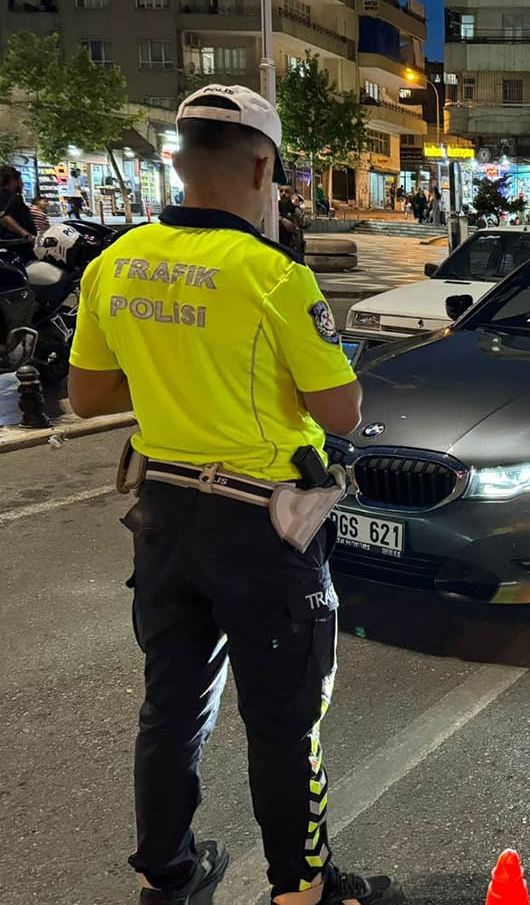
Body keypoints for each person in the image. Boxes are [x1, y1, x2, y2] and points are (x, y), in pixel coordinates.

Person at [66, 84, 398, 905]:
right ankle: (301, 889)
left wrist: (177, 373)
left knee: (172, 706)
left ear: (176, 162)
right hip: (261, 528)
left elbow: (89, 396)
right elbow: (341, 409)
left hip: (164, 515)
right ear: (263, 166)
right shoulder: (273, 275)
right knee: (285, 722)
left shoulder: (118, 262)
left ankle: (165, 872)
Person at [0, 165, 37, 260]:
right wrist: (27, 235)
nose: (22, 184)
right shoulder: (13, 197)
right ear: (13, 181)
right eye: (20, 180)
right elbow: (4, 217)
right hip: (17, 245)